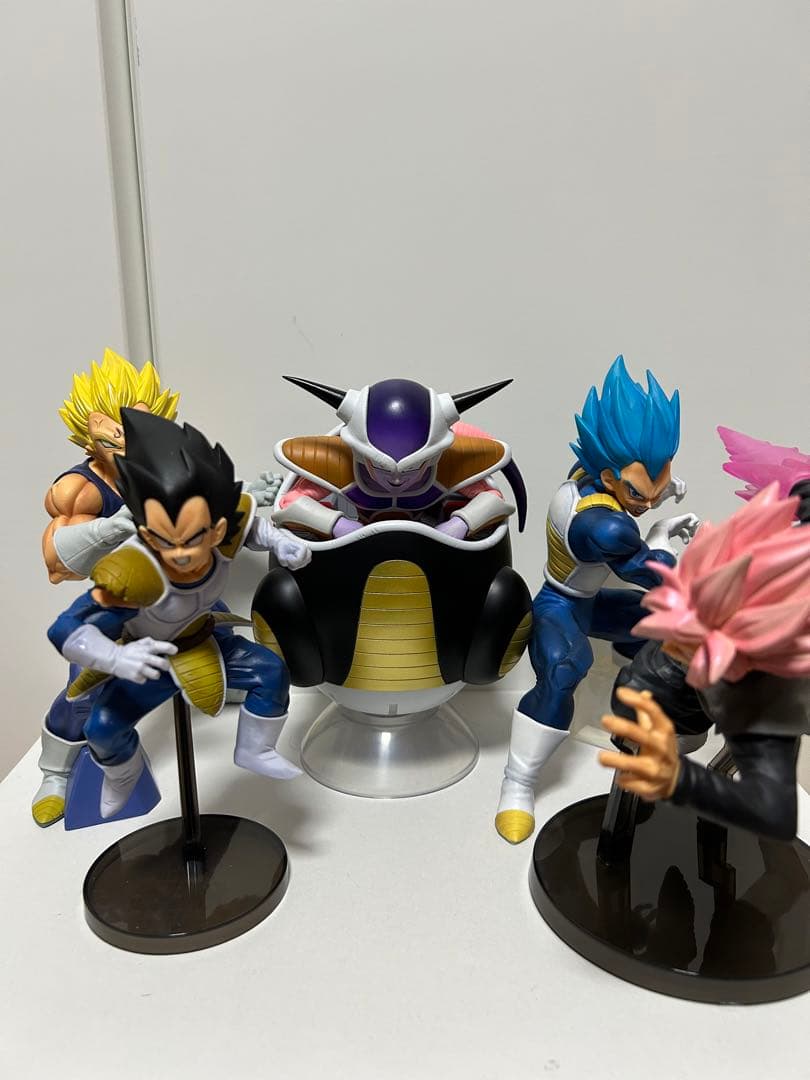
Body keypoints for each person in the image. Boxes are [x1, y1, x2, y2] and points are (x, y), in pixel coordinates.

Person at [47, 409, 310, 819]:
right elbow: (64, 628)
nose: (182, 554)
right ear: (147, 534)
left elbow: (251, 527)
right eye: (165, 541)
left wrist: (280, 541)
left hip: (206, 639)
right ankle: (122, 774)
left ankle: (255, 749)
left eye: (193, 538)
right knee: (101, 728)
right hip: (148, 657)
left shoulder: (227, 522)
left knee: (272, 673)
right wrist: (116, 657)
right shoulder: (134, 572)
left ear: (217, 530)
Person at [495, 356, 699, 844]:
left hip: (593, 601)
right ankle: (516, 784)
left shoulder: (586, 470)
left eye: (658, 483)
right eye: (638, 493)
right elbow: (656, 575)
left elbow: (642, 485)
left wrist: (658, 492)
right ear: (609, 478)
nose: (647, 499)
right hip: (560, 605)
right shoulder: (602, 525)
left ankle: (633, 708)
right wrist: (661, 534)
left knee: (666, 628)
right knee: (563, 670)